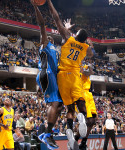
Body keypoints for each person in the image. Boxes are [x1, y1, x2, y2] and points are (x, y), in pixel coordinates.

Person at [46, 1, 94, 149]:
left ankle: (68, 128)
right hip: (74, 76)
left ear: (76, 34)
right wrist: (89, 42)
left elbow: (56, 19)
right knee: (79, 102)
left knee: (67, 107)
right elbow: (92, 54)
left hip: (62, 76)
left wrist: (49, 2)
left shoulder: (68, 37)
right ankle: (83, 119)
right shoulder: (85, 48)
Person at [31, 0, 63, 149]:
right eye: (46, 37)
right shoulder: (44, 44)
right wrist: (36, 7)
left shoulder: (56, 50)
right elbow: (42, 25)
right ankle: (47, 134)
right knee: (54, 103)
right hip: (46, 73)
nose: (48, 37)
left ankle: (47, 133)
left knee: (60, 105)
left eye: (50, 37)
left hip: (52, 77)